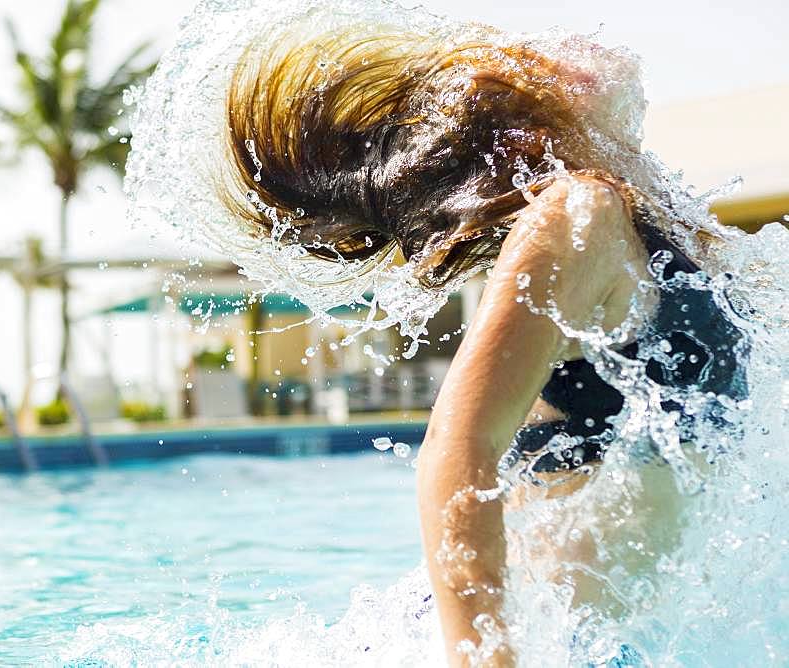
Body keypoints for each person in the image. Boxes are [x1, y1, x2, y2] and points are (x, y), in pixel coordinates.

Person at [219, 28, 746, 666]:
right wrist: (484, 658)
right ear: (519, 122)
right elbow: (458, 444)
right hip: (539, 634)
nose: (568, 41)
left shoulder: (652, 216)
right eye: (534, 63)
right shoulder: (577, 213)